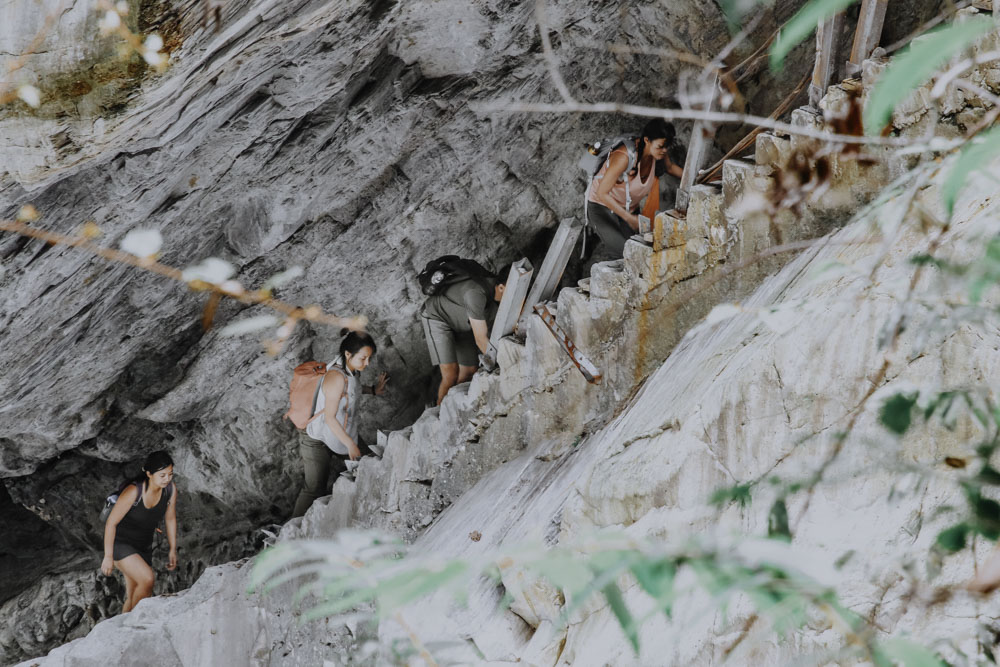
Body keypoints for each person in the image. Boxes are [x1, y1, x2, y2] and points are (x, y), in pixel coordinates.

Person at [293, 330, 389, 518]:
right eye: (363, 358)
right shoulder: (335, 376)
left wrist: (374, 390)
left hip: (340, 432)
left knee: (369, 462)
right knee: (314, 488)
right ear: (347, 354)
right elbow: (330, 417)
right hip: (317, 436)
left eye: (368, 358)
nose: (367, 363)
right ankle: (289, 534)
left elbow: (351, 390)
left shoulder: (351, 370)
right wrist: (350, 445)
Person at [586, 118, 684, 256]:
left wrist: (697, 176)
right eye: (661, 146)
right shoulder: (623, 157)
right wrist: (629, 219)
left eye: (667, 146)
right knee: (626, 252)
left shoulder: (659, 152)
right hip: (601, 207)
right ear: (646, 140)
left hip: (627, 209)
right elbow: (602, 193)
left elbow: (670, 168)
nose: (664, 150)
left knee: (642, 248)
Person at [101, 450, 178, 613]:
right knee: (147, 579)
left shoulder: (170, 490)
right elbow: (111, 524)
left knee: (135, 592)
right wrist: (108, 557)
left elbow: (170, 518)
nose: (167, 479)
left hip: (143, 546)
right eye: (162, 475)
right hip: (120, 544)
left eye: (170, 474)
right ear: (149, 473)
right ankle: (133, 624)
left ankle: (122, 630)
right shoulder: (134, 491)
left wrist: (172, 549)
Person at [421, 264, 508, 405]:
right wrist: (504, 364)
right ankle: (438, 414)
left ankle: (455, 408)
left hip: (462, 325)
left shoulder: (494, 296)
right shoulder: (475, 293)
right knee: (450, 374)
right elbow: (481, 340)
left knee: (469, 371)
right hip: (438, 317)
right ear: (501, 287)